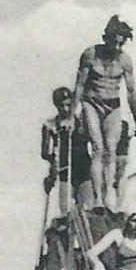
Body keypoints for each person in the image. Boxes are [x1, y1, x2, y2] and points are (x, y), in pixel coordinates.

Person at [72, 15, 136, 208]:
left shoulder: (125, 61)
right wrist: (71, 116)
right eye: (115, 43)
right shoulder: (90, 54)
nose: (118, 48)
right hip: (92, 103)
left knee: (111, 149)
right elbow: (79, 86)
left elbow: (131, 93)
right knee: (98, 148)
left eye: (122, 44)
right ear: (106, 38)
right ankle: (98, 200)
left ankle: (108, 197)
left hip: (112, 105)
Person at [40, 86, 94, 215]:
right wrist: (52, 171)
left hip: (84, 171)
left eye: (68, 105)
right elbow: (45, 152)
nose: (65, 109)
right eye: (61, 106)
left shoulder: (81, 122)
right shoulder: (51, 125)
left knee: (88, 209)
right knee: (66, 211)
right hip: (65, 171)